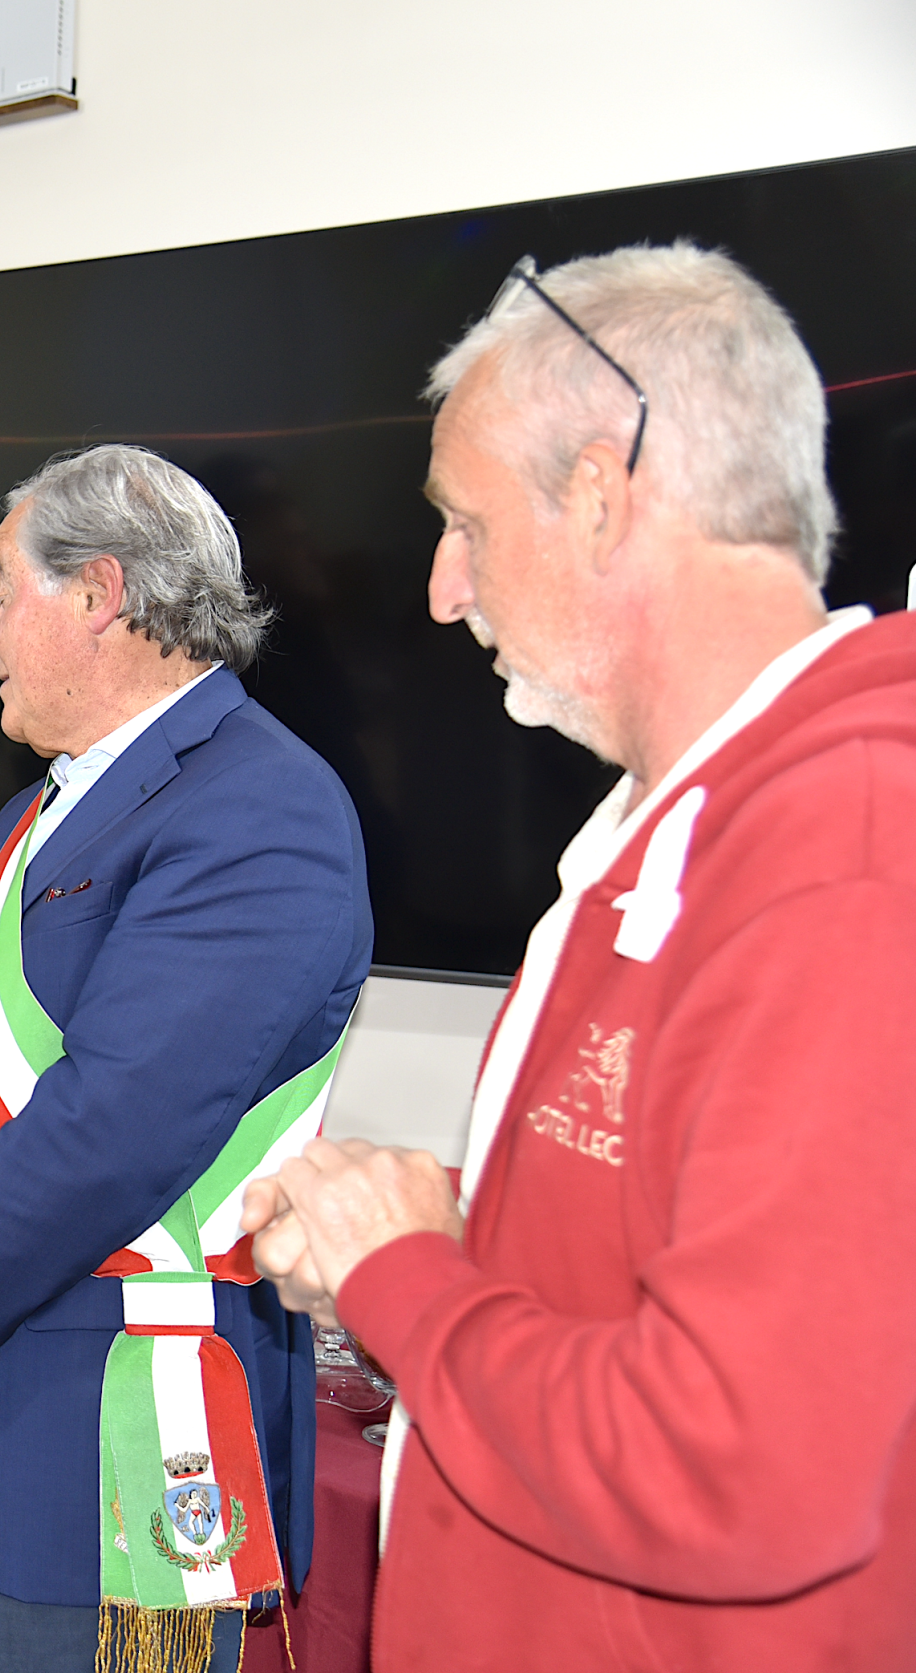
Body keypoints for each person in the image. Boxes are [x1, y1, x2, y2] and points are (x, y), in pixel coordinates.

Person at [238, 245, 916, 1671]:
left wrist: (404, 1274)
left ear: (603, 495)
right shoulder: (680, 824)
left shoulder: (843, 851)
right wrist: (444, 1225)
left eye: (466, 523)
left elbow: (741, 1471)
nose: (442, 588)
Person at [0, 446, 371, 1673]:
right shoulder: (45, 804)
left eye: (4, 593)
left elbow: (105, 1136)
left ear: (100, 592)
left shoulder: (260, 807)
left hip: (116, 1440)